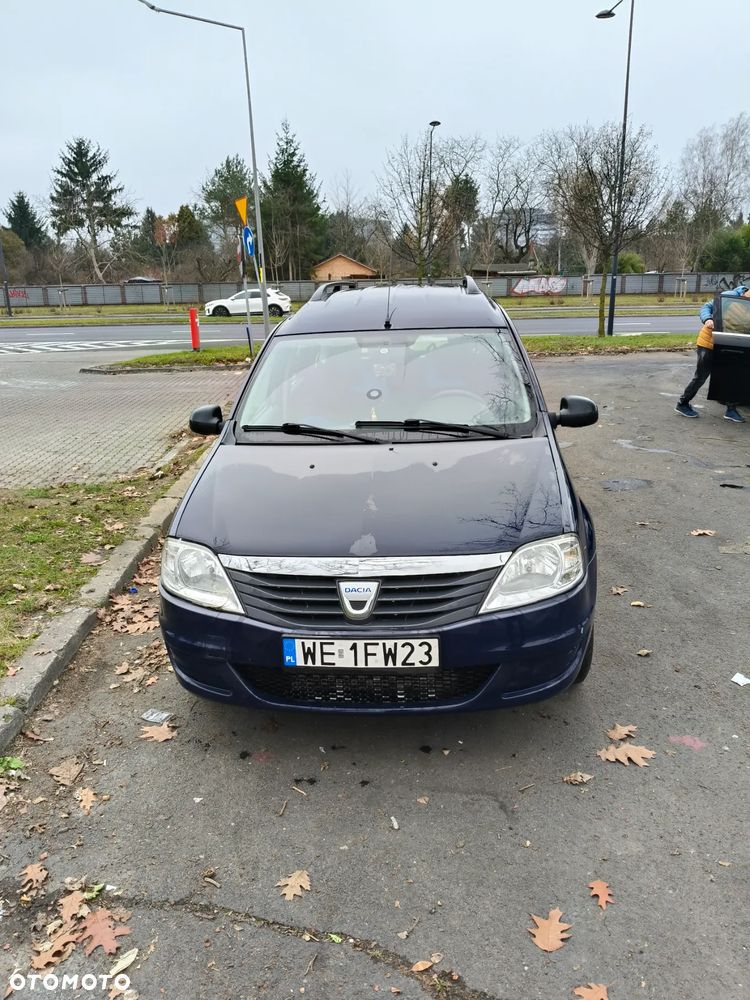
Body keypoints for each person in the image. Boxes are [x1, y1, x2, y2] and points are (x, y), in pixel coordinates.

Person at [675, 284, 750, 422]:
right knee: (701, 376)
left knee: (733, 376)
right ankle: (683, 403)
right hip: (708, 343)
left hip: (730, 342)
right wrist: (708, 319)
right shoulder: (731, 296)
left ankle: (731, 410)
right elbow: (706, 307)